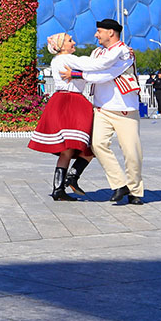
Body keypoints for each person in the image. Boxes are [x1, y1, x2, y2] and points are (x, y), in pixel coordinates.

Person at [60, 18, 144, 205]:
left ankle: (135, 191)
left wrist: (76, 73)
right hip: (102, 109)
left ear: (110, 33)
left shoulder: (124, 52)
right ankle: (120, 184)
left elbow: (106, 73)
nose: (96, 35)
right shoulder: (97, 52)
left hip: (125, 110)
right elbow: (93, 68)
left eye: (99, 31)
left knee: (132, 153)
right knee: (98, 145)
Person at [28, 33, 96, 200]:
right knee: (90, 146)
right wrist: (101, 55)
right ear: (61, 46)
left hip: (63, 101)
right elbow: (89, 64)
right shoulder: (67, 58)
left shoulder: (58, 60)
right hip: (72, 102)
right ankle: (72, 176)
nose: (74, 43)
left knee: (68, 149)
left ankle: (59, 188)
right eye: (70, 41)